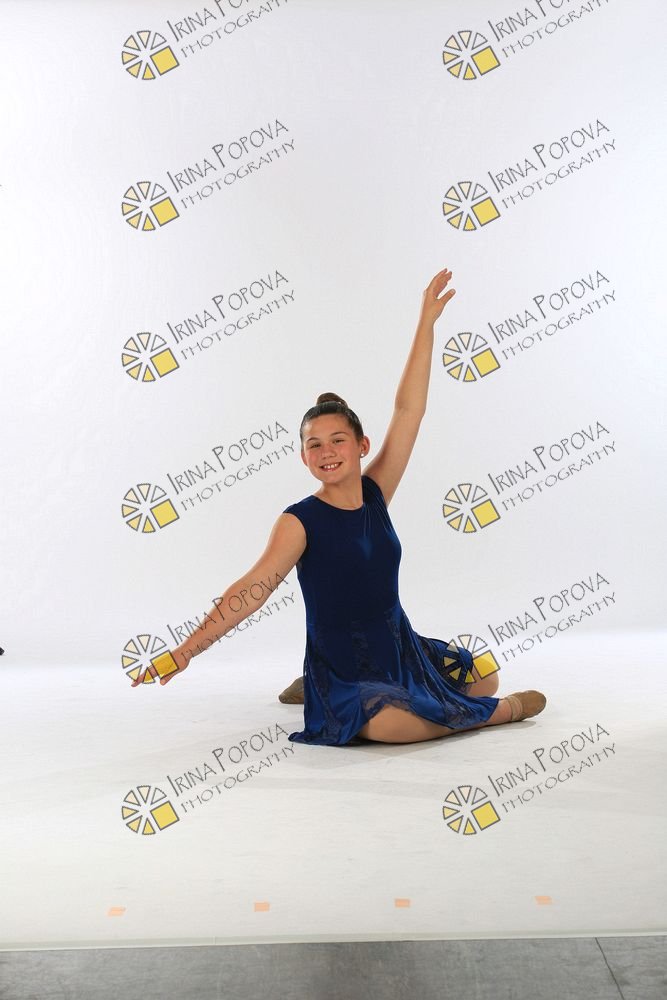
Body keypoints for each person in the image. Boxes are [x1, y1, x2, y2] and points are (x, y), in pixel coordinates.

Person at [131, 267, 546, 747]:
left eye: (338, 440)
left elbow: (409, 411)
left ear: (362, 445)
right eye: (314, 444)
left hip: (398, 649)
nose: (326, 452)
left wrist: (426, 323)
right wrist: (186, 651)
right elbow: (250, 591)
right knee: (389, 726)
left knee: (484, 673)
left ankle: (419, 698)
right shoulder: (299, 521)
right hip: (346, 666)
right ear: (304, 457)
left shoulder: (375, 495)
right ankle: (496, 713)